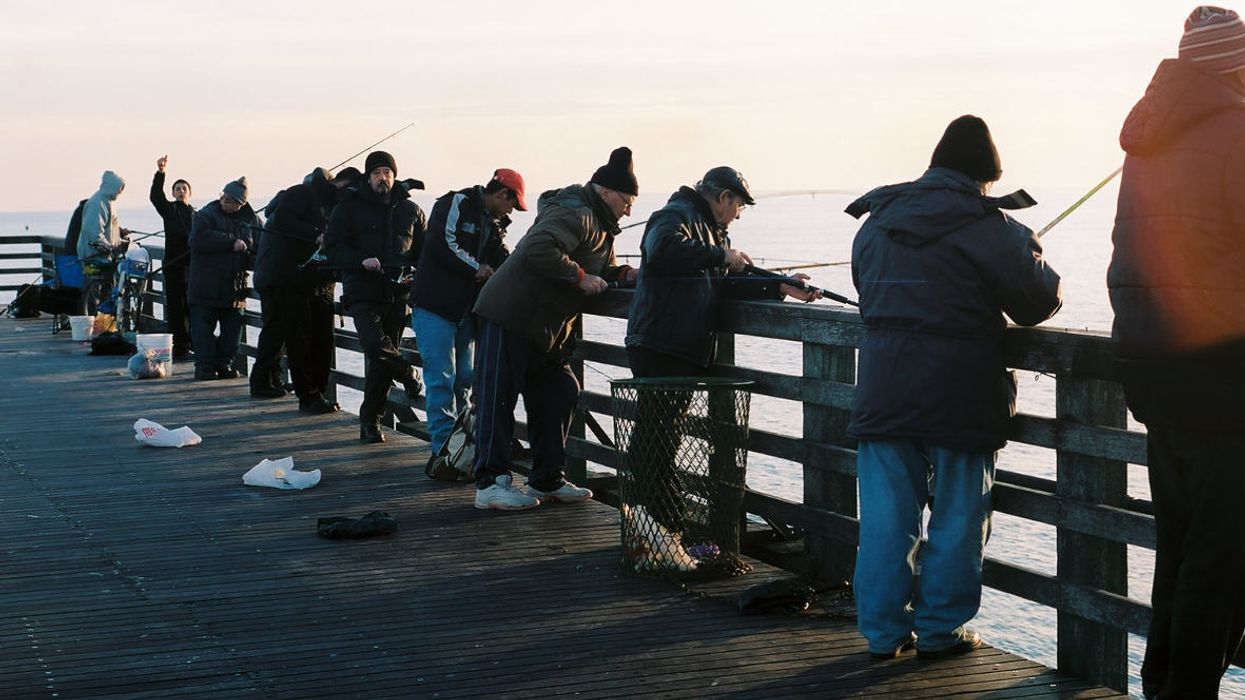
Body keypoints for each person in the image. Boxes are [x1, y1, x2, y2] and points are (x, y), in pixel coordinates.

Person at [845, 115, 1062, 660]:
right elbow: (1036, 304)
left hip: (884, 389)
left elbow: (867, 290)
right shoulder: (993, 227)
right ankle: (940, 630)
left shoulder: (875, 222)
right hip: (961, 393)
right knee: (961, 518)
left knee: (885, 523)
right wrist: (1034, 255)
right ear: (985, 178)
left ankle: (882, 633)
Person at [1107, 7, 1245, 697]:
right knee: (1221, 555)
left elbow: (1126, 255)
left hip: (1154, 374)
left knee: (1185, 544)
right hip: (1222, 378)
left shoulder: (1147, 142)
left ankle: (1163, 682)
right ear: (1233, 64)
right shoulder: (1235, 132)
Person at [623, 166, 820, 565]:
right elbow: (660, 249)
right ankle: (660, 526)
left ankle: (656, 527)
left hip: (675, 345)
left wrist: (778, 285)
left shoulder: (708, 230)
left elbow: (720, 282)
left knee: (661, 438)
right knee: (656, 439)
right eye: (739, 207)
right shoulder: (675, 215)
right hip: (661, 344)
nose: (739, 215)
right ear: (724, 197)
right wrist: (721, 254)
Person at [470, 146, 639, 511]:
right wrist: (579, 277)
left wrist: (625, 275)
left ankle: (546, 479)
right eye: (627, 199)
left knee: (561, 389)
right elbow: (536, 249)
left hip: (545, 329)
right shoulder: (575, 213)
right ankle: (490, 483)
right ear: (606, 191)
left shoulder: (601, 226)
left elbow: (601, 267)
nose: (630, 208)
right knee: (497, 397)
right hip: (510, 314)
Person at [409, 168, 522, 462]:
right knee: (440, 379)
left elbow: (504, 260)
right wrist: (477, 268)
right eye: (512, 203)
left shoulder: (496, 226)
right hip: (434, 307)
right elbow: (441, 244)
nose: (512, 210)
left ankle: (463, 447)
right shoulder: (455, 203)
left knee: (465, 380)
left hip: (465, 313)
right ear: (501, 194)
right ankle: (444, 451)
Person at [324, 151, 425, 444]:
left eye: (387, 172)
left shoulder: (412, 210)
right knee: (372, 344)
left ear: (394, 176)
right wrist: (360, 260)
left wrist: (415, 274)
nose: (383, 178)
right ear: (368, 178)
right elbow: (333, 247)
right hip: (361, 289)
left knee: (382, 362)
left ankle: (371, 422)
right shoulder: (348, 208)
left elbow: (424, 253)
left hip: (397, 292)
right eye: (377, 173)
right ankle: (407, 372)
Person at [251, 167, 354, 414]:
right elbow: (287, 225)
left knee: (290, 334)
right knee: (289, 334)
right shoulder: (302, 195)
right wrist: (316, 235)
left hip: (302, 279)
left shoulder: (326, 205)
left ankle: (281, 383)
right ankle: (300, 392)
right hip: (288, 279)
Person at [188, 177, 259, 381]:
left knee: (233, 332)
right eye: (224, 196)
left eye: (231, 199)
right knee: (203, 330)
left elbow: (260, 241)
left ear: (241, 203)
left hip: (234, 287)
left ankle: (224, 363)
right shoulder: (204, 215)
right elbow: (197, 239)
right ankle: (204, 367)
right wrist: (230, 242)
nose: (225, 201)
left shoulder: (250, 219)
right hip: (205, 285)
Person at [149, 155, 195, 357]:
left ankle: (194, 342)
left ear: (190, 193)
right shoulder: (169, 210)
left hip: (193, 267)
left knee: (193, 306)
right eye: (177, 188)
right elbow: (155, 197)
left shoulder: (197, 214)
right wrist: (161, 173)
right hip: (174, 266)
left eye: (184, 188)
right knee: (176, 307)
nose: (181, 191)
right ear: (173, 193)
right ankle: (180, 345)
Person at [77, 170, 128, 315]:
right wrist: (108, 246)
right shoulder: (97, 203)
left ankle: (102, 320)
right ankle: (91, 320)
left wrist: (120, 231)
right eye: (120, 188)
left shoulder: (109, 201)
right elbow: (93, 232)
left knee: (105, 287)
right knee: (93, 290)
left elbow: (108, 226)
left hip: (104, 256)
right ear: (113, 186)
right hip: (92, 256)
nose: (121, 191)